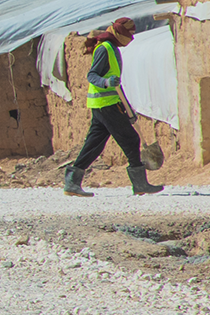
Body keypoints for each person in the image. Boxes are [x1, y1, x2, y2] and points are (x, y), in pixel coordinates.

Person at [64, 17, 162, 197]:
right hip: (106, 105)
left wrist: (128, 110)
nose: (131, 37)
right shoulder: (104, 49)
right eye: (130, 33)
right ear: (120, 32)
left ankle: (72, 181)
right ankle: (140, 184)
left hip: (104, 105)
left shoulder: (113, 49)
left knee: (94, 144)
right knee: (131, 139)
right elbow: (92, 75)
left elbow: (116, 83)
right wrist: (106, 82)